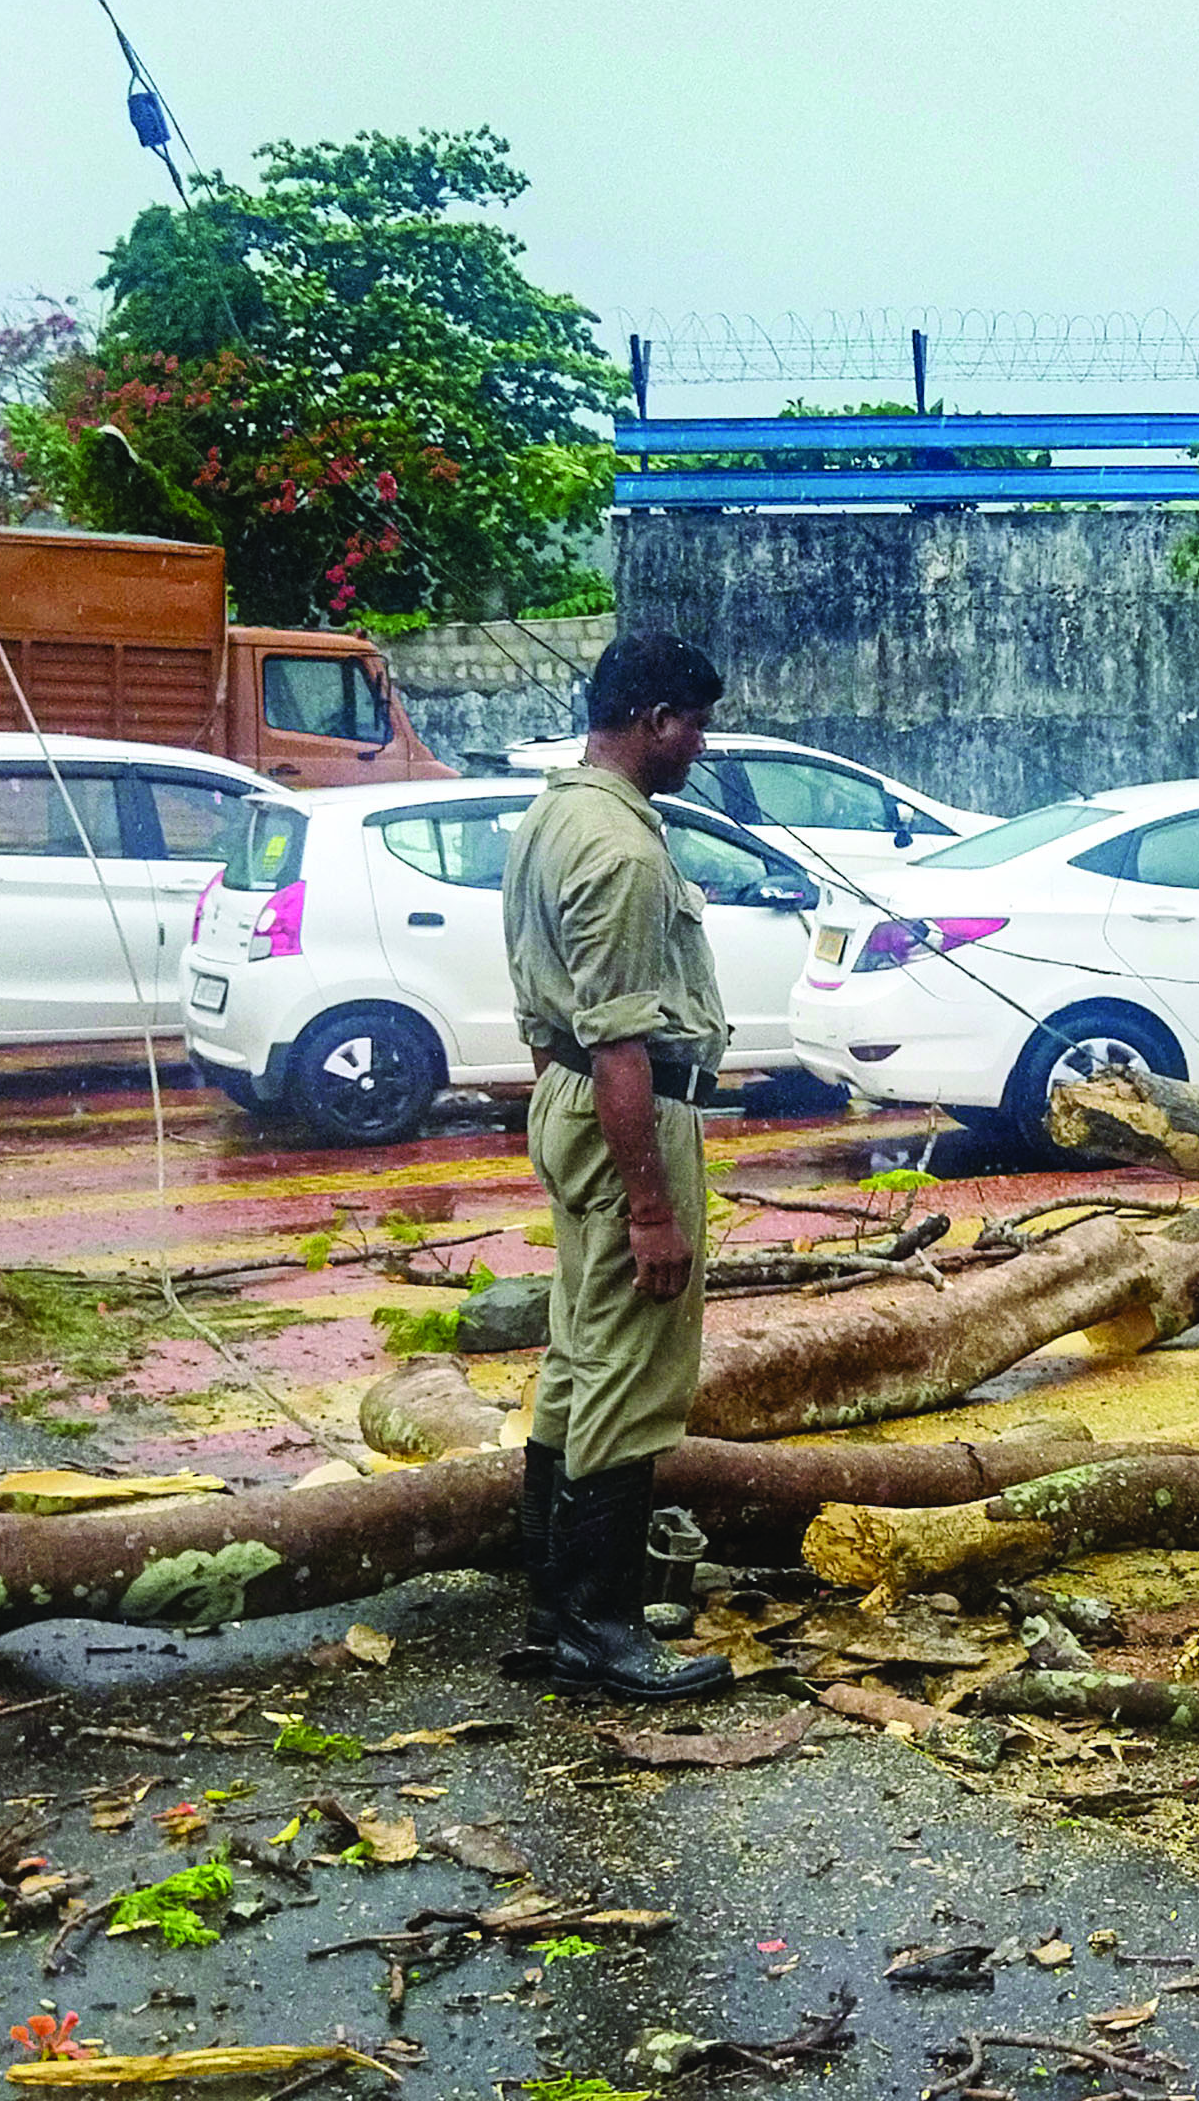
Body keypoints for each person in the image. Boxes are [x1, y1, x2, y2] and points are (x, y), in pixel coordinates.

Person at [497, 627, 740, 1703]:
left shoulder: (555, 813)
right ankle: (602, 1630)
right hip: (624, 1119)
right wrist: (652, 1208)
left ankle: (556, 1613)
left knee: (576, 1355)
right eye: (694, 726)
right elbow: (623, 1045)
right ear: (655, 721)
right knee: (628, 1376)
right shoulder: (623, 852)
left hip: (567, 1103)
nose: (699, 746)